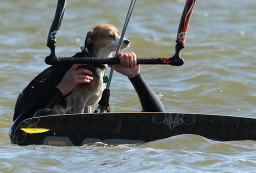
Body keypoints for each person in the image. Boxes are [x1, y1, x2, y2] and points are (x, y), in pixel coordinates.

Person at [12, 52, 164, 130]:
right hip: (68, 166)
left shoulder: (97, 126)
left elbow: (158, 120)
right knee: (41, 114)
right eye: (68, 96)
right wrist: (61, 89)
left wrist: (135, 76)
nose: (76, 98)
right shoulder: (36, 131)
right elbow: (21, 126)